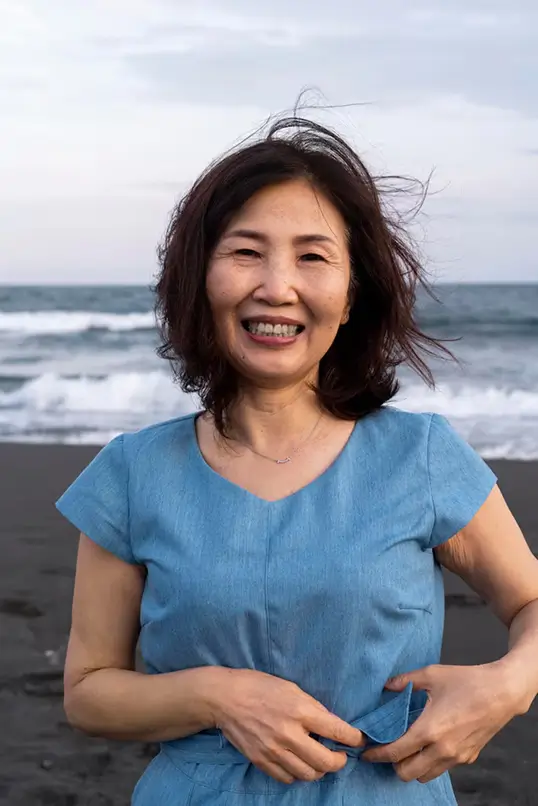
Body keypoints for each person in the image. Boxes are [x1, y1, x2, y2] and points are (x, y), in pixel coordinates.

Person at [55, 116, 538, 806]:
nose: (277, 287)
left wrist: (509, 684)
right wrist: (221, 696)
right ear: (200, 279)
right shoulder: (132, 474)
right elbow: (89, 691)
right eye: (247, 252)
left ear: (350, 297)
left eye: (313, 257)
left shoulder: (422, 457)